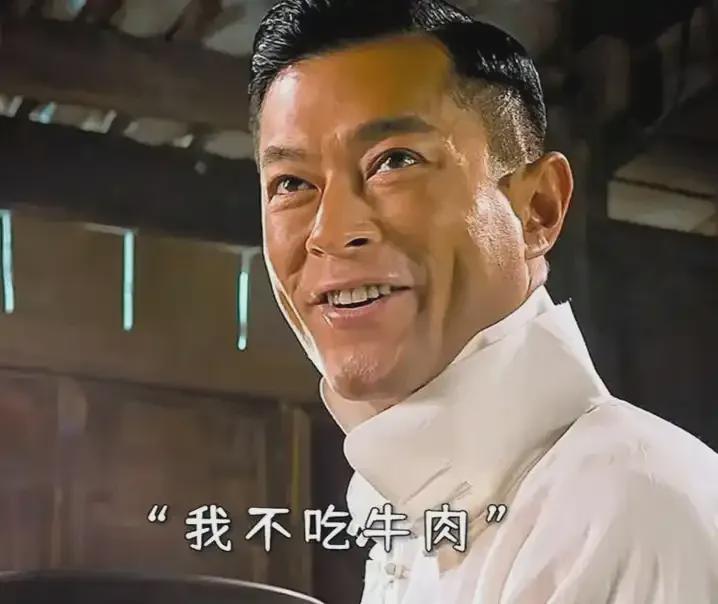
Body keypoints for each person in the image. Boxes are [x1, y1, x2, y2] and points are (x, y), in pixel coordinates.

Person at [249, 0, 718, 602]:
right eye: (291, 183)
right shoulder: (412, 513)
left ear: (537, 209)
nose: (331, 231)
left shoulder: (625, 513)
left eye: (395, 161)